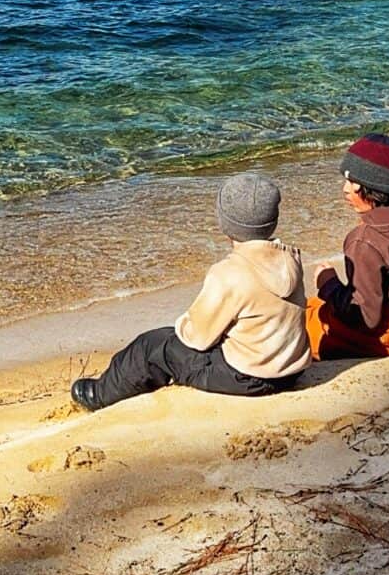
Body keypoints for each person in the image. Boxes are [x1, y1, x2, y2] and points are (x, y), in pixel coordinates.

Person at [71, 172, 310, 411]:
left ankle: (99, 394)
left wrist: (186, 325)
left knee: (153, 346)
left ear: (225, 221)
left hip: (248, 378)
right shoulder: (291, 259)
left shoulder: (228, 272)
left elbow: (195, 338)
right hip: (291, 370)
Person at [307, 134, 389, 359]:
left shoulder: (364, 241)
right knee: (313, 306)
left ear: (370, 187)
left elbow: (364, 317)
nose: (345, 189)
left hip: (388, 339)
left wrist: (328, 283)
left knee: (299, 322)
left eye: (352, 182)